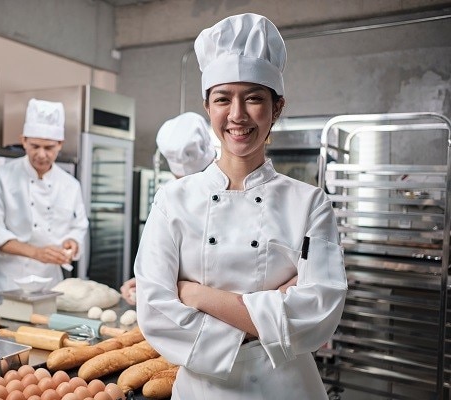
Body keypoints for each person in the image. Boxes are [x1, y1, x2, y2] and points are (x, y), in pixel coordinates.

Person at [134, 13, 347, 399]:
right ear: (207, 106)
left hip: (288, 388)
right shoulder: (172, 200)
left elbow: (320, 309)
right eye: (222, 99)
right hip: (203, 389)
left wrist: (199, 296)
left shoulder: (310, 203)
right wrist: (275, 307)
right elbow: (154, 309)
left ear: (277, 107)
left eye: (253, 98)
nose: (237, 115)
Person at [0, 98, 89, 309]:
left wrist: (72, 242)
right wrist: (37, 253)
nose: (41, 154)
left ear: (60, 144)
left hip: (51, 287)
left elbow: (79, 226)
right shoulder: (0, 177)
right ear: (23, 140)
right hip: (5, 284)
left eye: (49, 147)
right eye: (35, 146)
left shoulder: (70, 185)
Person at [121, 112, 217, 305]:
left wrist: (161, 287)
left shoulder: (233, 193)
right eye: (179, 180)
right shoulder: (167, 197)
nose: (184, 186)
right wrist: (147, 282)